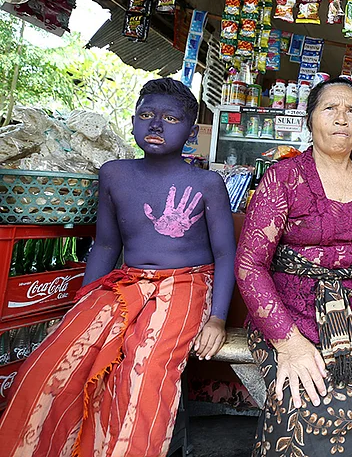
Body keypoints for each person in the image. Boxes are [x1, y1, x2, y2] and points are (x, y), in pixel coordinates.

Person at [0, 78, 236, 457]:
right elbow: (107, 244)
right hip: (125, 282)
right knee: (49, 365)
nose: (156, 125)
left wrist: (217, 319)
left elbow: (226, 255)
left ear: (191, 132)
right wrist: (83, 301)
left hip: (186, 284)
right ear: (132, 121)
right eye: (146, 115)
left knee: (143, 373)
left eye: (170, 119)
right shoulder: (114, 174)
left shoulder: (207, 183)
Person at [235, 78, 352, 457]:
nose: (341, 118)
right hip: (291, 312)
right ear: (310, 120)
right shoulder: (284, 179)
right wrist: (288, 343)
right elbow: (250, 265)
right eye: (329, 109)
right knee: (307, 397)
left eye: (351, 110)